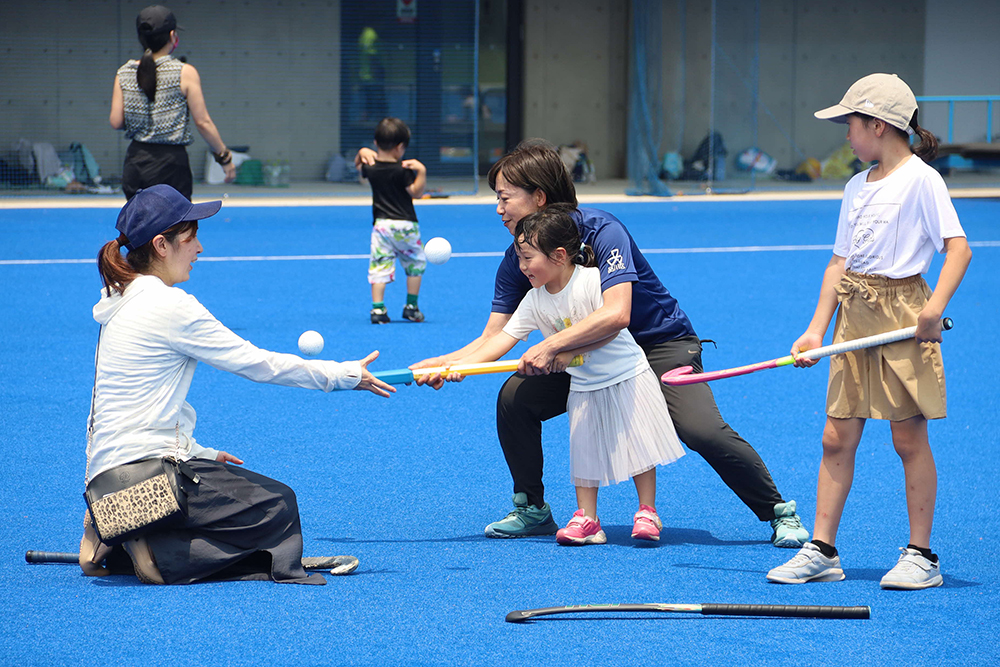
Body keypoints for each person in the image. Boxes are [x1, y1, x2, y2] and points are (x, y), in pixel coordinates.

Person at [357, 140, 809, 547]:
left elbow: (617, 315)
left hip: (659, 345)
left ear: (538, 197)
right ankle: (532, 508)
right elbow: (494, 337)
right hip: (587, 357)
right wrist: (443, 362)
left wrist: (550, 348)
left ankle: (778, 512)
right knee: (515, 398)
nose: (498, 208)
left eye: (504, 196)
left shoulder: (601, 230)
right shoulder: (520, 258)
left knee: (699, 428)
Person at [79, 184, 395, 585]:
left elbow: (129, 409)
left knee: (242, 500)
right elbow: (257, 364)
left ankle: (120, 533)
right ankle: (158, 555)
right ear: (161, 244)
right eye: (191, 239)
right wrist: (342, 375)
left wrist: (200, 454)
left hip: (106, 480)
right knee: (277, 506)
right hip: (150, 478)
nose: (200, 250)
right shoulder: (170, 306)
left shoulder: (118, 303)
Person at [766, 73, 972, 589]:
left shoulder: (923, 180)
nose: (846, 136)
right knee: (836, 435)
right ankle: (823, 549)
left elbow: (958, 248)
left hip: (904, 315)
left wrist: (934, 308)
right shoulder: (856, 186)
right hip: (854, 317)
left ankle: (922, 555)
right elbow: (839, 264)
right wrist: (816, 331)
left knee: (907, 437)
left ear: (878, 125)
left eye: (850, 124)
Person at [444, 205, 685, 544]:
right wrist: (461, 368)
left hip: (626, 374)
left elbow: (611, 328)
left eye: (528, 258)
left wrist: (567, 352)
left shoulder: (589, 281)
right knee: (583, 451)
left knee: (638, 447)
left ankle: (647, 511)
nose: (522, 267)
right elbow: (501, 339)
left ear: (559, 255)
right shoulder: (534, 301)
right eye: (519, 258)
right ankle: (587, 520)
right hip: (585, 385)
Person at [110, 5, 236, 200]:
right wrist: (224, 156)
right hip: (171, 166)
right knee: (176, 228)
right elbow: (203, 123)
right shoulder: (185, 72)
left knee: (140, 226)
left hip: (136, 162)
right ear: (172, 35)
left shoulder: (124, 72)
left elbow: (116, 122)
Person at [359, 117, 428, 324]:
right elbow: (416, 192)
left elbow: (359, 169)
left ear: (375, 143)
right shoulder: (403, 170)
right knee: (415, 263)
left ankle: (378, 309)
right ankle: (411, 307)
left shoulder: (370, 168)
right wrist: (421, 171)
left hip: (381, 225)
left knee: (380, 265)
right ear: (400, 147)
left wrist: (361, 152)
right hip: (406, 225)